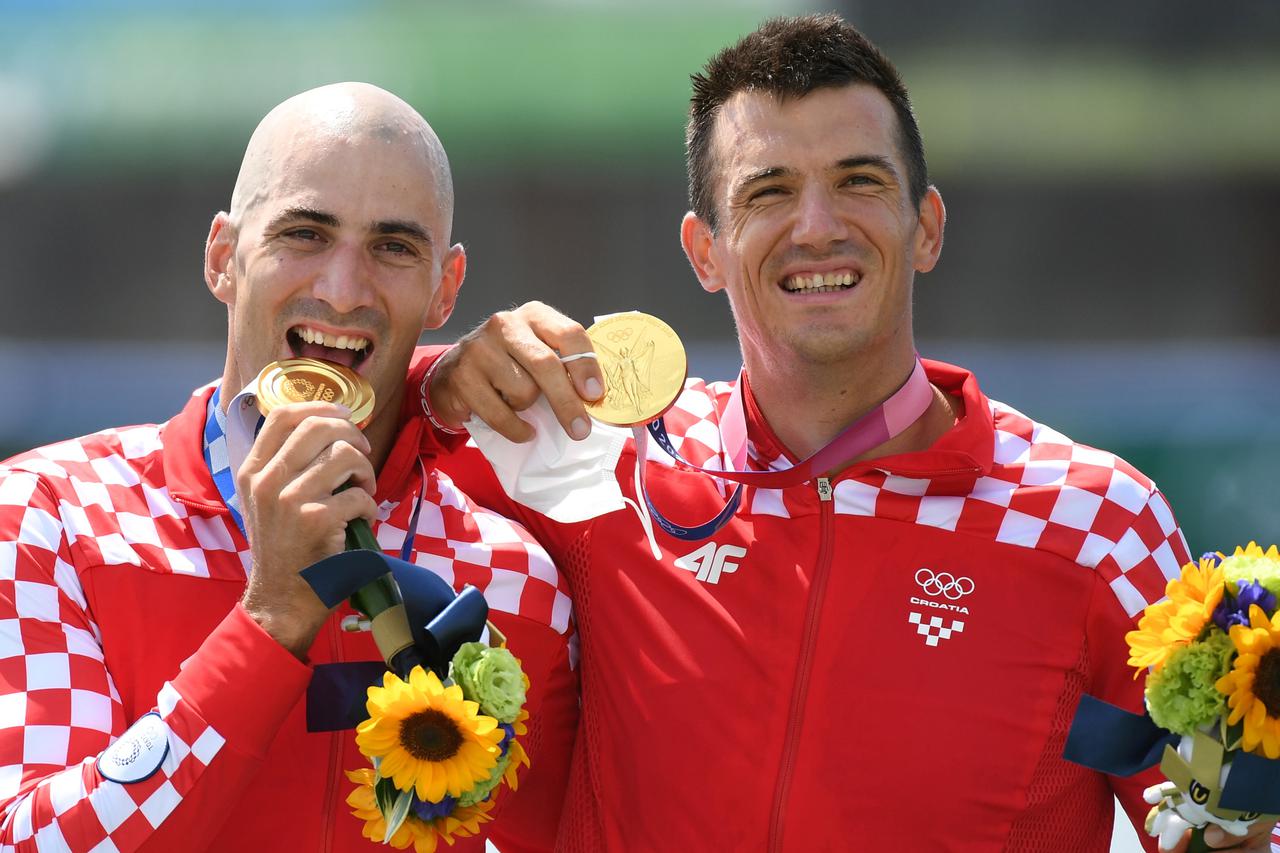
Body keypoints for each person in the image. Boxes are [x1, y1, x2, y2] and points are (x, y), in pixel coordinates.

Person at [416, 15, 1275, 853]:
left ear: (927, 226)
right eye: (769, 190)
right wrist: (440, 379)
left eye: (859, 181)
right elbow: (332, 450)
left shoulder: (1097, 525)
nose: (817, 225)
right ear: (704, 251)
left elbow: (1216, 823)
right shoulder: (601, 460)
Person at [0, 83, 575, 852]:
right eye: (304, 234)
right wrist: (270, 619)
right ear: (222, 258)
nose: (342, 290)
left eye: (393, 247)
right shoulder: (49, 517)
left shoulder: (518, 580)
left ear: (446, 290)